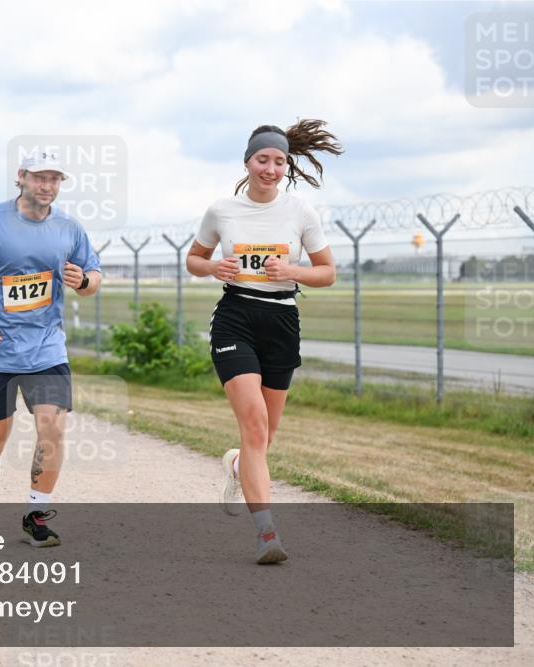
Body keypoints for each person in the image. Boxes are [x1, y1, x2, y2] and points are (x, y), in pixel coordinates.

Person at [186, 119, 341, 564]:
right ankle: (266, 534)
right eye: (262, 159)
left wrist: (292, 272)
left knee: (264, 437)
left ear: (286, 165)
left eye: (279, 161)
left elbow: (327, 272)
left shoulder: (300, 212)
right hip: (235, 317)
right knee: (253, 426)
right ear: (247, 162)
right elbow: (193, 260)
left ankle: (238, 466)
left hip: (282, 322)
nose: (270, 168)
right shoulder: (222, 211)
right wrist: (214, 266)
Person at [0, 151, 102, 548]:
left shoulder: (69, 228)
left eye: (55, 179)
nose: (47, 186)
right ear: (21, 177)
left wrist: (83, 281)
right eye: (39, 177)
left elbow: (95, 275)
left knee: (53, 428)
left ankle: (36, 515)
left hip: (47, 348)